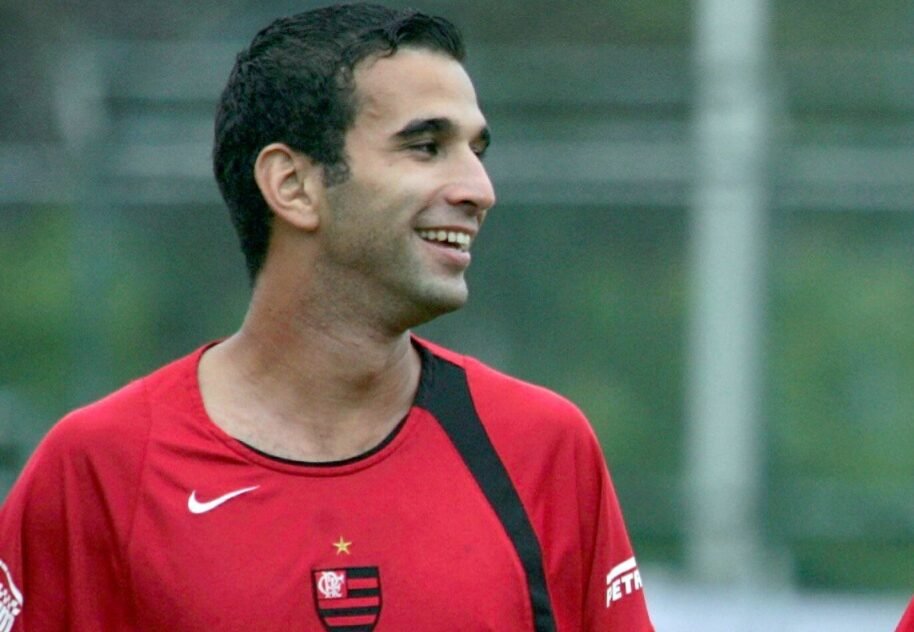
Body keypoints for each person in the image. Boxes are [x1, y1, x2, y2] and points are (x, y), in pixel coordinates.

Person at [0, 3, 653, 630]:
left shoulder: (542, 449)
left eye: (475, 150)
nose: (479, 190)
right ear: (292, 185)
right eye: (426, 146)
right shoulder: (101, 469)